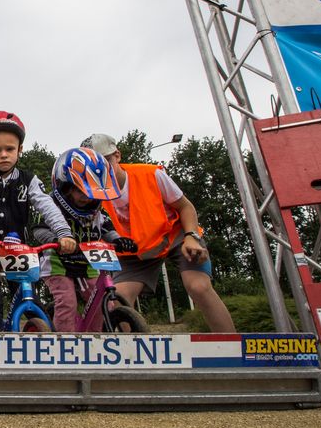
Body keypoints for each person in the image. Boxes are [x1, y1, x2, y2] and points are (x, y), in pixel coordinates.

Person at [84, 133, 236, 332]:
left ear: (117, 156)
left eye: (105, 161)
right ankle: (128, 356)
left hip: (174, 237)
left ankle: (232, 344)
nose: (101, 170)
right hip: (135, 252)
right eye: (94, 166)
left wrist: (192, 237)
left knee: (198, 287)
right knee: (116, 300)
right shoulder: (91, 194)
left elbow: (186, 207)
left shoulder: (150, 175)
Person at [0, 111, 72, 332]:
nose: (4, 155)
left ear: (20, 150)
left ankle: (45, 340)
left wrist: (64, 233)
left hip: (17, 251)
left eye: (10, 149)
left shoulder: (28, 179)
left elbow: (47, 205)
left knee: (30, 300)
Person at [35, 148, 137, 331]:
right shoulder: (51, 206)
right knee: (67, 301)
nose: (86, 197)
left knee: (101, 299)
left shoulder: (97, 211)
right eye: (80, 190)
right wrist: (56, 240)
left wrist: (119, 240)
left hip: (88, 262)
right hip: (58, 262)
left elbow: (107, 228)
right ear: (65, 187)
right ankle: (64, 343)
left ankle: (93, 339)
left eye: (91, 192)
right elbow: (39, 229)